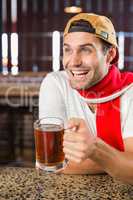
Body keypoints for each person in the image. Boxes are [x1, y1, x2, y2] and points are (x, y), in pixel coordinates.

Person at [39, 13, 133, 184]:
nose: (73, 61)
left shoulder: (130, 91)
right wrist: (119, 156)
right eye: (67, 50)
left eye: (85, 49)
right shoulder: (55, 83)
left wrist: (95, 150)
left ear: (110, 54)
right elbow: (49, 160)